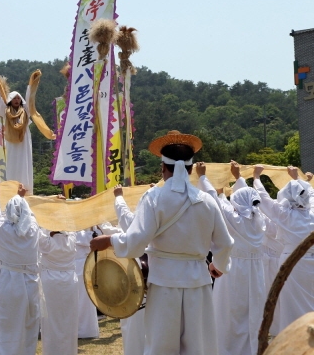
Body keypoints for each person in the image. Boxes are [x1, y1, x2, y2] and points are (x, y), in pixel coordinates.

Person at [90, 130, 234, 355]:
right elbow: (225, 243)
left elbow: (136, 241)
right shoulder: (207, 201)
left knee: (161, 347)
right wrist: (219, 265)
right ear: (190, 169)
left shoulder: (154, 198)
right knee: (199, 347)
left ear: (163, 168)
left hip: (164, 282)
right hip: (198, 282)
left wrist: (109, 240)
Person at [197, 161, 266, 355]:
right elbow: (248, 199)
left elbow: (214, 201)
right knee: (252, 313)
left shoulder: (235, 221)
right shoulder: (260, 221)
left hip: (235, 270)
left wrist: (203, 176)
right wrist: (238, 177)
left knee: (230, 314)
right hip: (256, 273)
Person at [253, 165, 314, 332]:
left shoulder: (285, 215)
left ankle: (293, 336)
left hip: (291, 265)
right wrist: (298, 179)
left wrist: (257, 177)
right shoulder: (312, 213)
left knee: (291, 305)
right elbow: (310, 195)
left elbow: (263, 198)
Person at [0, 183, 42, 355]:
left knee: (6, 322)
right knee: (29, 323)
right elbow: (29, 215)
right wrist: (21, 198)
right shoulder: (34, 228)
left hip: (9, 281)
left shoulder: (3, 229)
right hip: (31, 281)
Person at [112, 184, 146, 355]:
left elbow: (127, 220)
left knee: (135, 325)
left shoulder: (144, 223)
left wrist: (118, 196)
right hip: (166, 279)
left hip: (142, 278)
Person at [0, 75, 35, 193]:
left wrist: (31, 85)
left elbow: (29, 99)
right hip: (11, 141)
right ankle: (12, 188)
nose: (16, 100)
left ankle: (26, 189)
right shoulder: (6, 111)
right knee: (13, 163)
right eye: (14, 98)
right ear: (10, 100)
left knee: (25, 163)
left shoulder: (25, 111)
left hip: (24, 141)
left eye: (18, 98)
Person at [39, 228, 78, 355]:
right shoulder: (72, 239)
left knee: (50, 321)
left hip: (50, 282)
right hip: (69, 282)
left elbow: (37, 233)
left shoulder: (46, 242)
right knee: (68, 320)